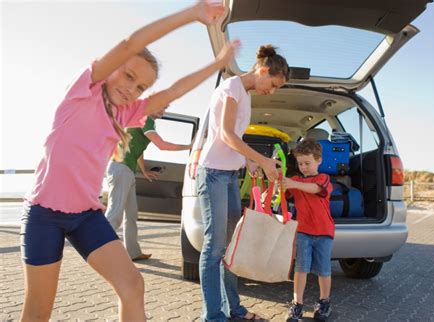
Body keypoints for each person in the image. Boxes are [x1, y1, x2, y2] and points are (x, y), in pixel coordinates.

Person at [20, 2, 237, 321]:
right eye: (129, 76)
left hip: (85, 216)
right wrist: (192, 14)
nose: (131, 89)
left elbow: (175, 90)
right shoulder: (84, 91)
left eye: (140, 87)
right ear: (113, 67)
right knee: (39, 311)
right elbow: (132, 44)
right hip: (43, 215)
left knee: (133, 285)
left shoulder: (127, 113)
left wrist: (217, 64)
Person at [197, 44, 289, 321]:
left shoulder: (244, 95)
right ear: (262, 70)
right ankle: (214, 316)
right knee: (214, 248)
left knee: (230, 247)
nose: (271, 91)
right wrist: (261, 159)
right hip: (212, 174)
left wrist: (247, 162)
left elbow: (232, 141)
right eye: (272, 84)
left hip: (228, 175)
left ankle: (234, 309)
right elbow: (225, 134)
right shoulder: (231, 88)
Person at [105, 107, 191, 261]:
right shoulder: (145, 118)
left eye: (164, 109)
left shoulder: (143, 121)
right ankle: (100, 250)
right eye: (161, 107)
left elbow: (138, 149)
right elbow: (162, 145)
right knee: (115, 213)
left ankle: (133, 253)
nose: (162, 112)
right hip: (120, 168)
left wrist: (144, 170)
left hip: (127, 170)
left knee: (131, 214)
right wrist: (190, 146)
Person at [281, 139, 334, 322]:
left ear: (318, 160)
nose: (303, 167)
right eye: (300, 163)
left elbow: (316, 189)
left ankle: (324, 302)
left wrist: (293, 184)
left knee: (323, 270)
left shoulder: (323, 178)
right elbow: (282, 192)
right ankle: (297, 304)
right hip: (303, 231)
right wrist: (278, 183)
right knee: (300, 268)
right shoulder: (294, 180)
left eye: (307, 163)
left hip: (324, 232)